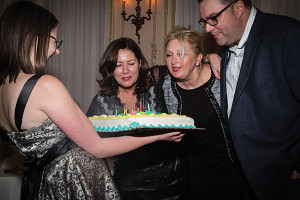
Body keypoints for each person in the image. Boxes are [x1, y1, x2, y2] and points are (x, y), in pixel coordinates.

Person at [0, 1, 184, 200]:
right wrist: (157, 136)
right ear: (34, 37)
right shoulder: (45, 85)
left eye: (131, 63)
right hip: (74, 182)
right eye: (55, 40)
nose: (57, 50)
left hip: (46, 184)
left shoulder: (3, 88)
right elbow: (98, 146)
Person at [198, 0, 300, 199]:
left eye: (214, 18)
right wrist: (211, 55)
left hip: (285, 181)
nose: (209, 28)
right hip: (245, 180)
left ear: (238, 7)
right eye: (204, 21)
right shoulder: (227, 46)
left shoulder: (286, 34)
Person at [87, 37, 186, 200]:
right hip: (129, 184)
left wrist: (210, 58)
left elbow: (185, 66)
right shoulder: (102, 101)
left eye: (131, 63)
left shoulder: (156, 79)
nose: (125, 71)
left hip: (170, 180)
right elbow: (89, 142)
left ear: (140, 63)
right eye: (118, 65)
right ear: (111, 68)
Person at [151, 26, 242, 200]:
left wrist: (213, 57)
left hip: (231, 171)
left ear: (198, 58)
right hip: (191, 177)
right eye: (169, 54)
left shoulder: (220, 78)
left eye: (182, 54)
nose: (174, 61)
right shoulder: (166, 87)